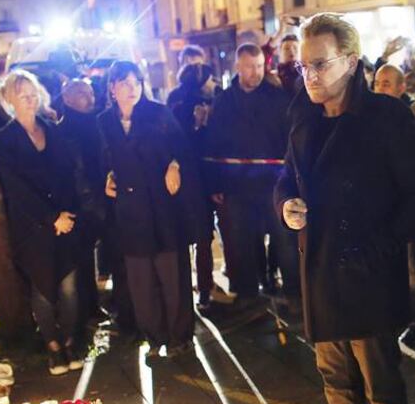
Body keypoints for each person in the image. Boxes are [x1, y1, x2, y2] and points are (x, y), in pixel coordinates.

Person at [275, 13, 415, 404]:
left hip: (368, 273)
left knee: (380, 381)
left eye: (319, 64)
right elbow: (286, 177)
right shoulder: (303, 116)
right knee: (334, 375)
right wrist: (285, 205)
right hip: (320, 268)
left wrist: (380, 247)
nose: (310, 76)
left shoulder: (385, 117)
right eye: (303, 66)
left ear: (350, 61)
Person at [99, 61, 202, 362]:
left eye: (136, 82)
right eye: (125, 83)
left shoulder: (158, 113)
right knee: (141, 280)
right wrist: (107, 176)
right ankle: (154, 337)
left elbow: (183, 148)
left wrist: (175, 165)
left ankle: (180, 336)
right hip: (130, 211)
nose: (132, 89)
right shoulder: (104, 121)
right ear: (113, 88)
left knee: (173, 275)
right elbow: (102, 159)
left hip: (163, 205)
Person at [0, 70, 92, 376]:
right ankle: (52, 346)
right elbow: (16, 188)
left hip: (65, 219)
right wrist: (50, 218)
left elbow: (67, 175)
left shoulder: (52, 130)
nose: (30, 99)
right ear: (10, 100)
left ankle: (70, 340)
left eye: (33, 93)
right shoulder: (4, 139)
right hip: (32, 225)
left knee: (69, 285)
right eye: (23, 95)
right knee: (43, 287)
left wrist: (67, 214)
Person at [204, 43, 299, 307]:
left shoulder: (278, 98)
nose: (255, 72)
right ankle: (248, 294)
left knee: (284, 239)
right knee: (241, 241)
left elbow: (289, 139)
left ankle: (294, 293)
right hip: (237, 185)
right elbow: (214, 144)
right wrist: (215, 183)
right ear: (238, 66)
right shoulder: (224, 101)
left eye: (259, 66)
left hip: (273, 183)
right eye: (249, 67)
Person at [373, 64, 415, 347]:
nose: (380, 88)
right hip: (383, 206)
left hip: (407, 205)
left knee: (414, 267)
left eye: (387, 83)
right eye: (377, 83)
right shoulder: (370, 117)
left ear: (401, 88)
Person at [167, 63, 224, 315]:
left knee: (194, 237)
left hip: (187, 181)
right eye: (210, 79)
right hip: (196, 180)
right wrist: (200, 125)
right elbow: (194, 146)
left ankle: (193, 289)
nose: (213, 83)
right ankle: (203, 290)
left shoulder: (176, 102)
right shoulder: (193, 107)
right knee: (201, 237)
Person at [61, 80, 111, 332]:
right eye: (82, 94)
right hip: (80, 203)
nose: (89, 98)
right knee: (83, 260)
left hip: (102, 197)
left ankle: (101, 305)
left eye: (90, 93)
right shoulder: (63, 130)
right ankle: (87, 309)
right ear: (67, 98)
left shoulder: (97, 122)